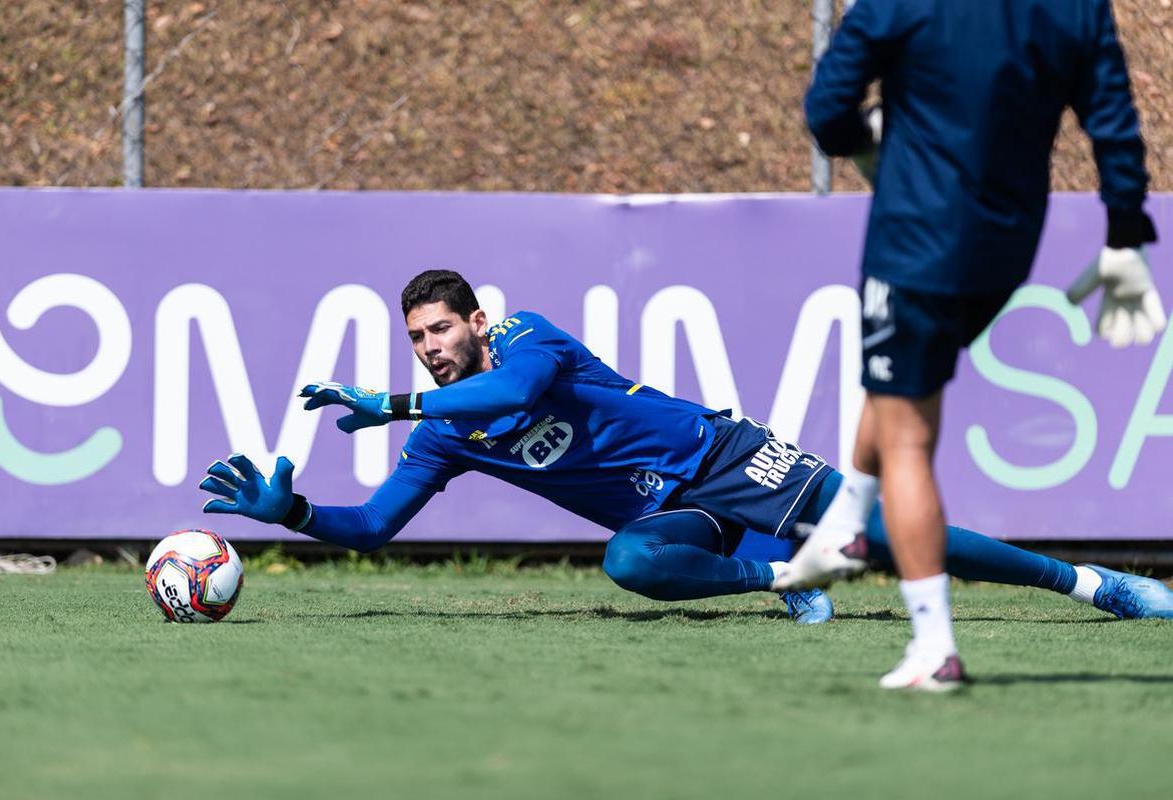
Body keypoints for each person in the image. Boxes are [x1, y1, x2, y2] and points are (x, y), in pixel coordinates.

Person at [198, 270, 1173, 643]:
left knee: (894, 536)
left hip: (726, 456)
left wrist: (399, 397)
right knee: (630, 561)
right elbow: (371, 526)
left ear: (476, 320)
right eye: (418, 337)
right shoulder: (440, 432)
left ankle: (1097, 585)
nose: (432, 344)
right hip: (674, 514)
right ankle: (784, 574)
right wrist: (294, 514)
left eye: (442, 328)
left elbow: (509, 394)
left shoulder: (528, 338)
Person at [775, 0, 1166, 690]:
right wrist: (1124, 231)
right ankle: (842, 526)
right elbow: (1111, 120)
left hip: (914, 241)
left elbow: (826, 109)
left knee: (905, 435)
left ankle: (935, 649)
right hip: (1005, 246)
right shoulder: (1077, 7)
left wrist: (867, 141)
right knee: (900, 388)